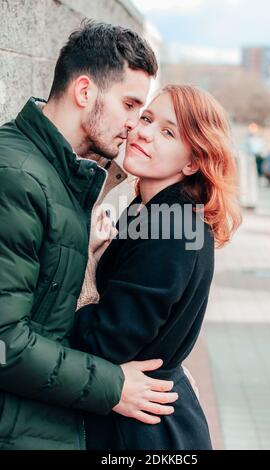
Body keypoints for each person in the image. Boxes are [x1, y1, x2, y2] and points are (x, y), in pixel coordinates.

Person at [0, 21, 179, 450]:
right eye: (130, 104)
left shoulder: (65, 173)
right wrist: (114, 385)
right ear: (85, 92)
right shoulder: (17, 177)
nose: (136, 126)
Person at [71, 85, 242, 450]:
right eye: (146, 118)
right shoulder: (149, 212)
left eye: (168, 132)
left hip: (141, 429)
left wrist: (85, 268)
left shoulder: (172, 229)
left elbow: (106, 342)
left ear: (192, 162)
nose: (145, 132)